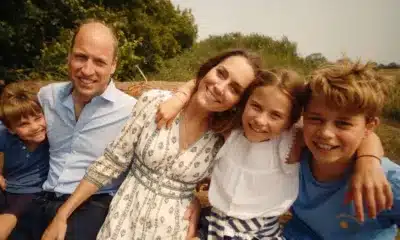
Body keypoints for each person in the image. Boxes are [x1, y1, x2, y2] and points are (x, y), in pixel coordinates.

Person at [41, 49, 263, 240]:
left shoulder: (223, 137)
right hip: (124, 219)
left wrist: (194, 200)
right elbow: (110, 162)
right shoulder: (155, 102)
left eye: (234, 89)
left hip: (174, 228)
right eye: (220, 73)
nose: (220, 87)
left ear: (238, 102)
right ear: (209, 70)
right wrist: (63, 213)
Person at [155, 67, 389, 240]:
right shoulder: (232, 129)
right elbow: (204, 85)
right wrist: (180, 98)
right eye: (255, 107)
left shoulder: (291, 139)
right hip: (215, 222)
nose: (260, 120)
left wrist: (368, 161)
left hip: (258, 233)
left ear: (291, 119)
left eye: (275, 115)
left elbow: (361, 133)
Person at [12, 19, 137, 240]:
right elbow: (10, 125)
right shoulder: (47, 97)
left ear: (114, 65)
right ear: (69, 56)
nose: (87, 70)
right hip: (42, 195)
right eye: (81, 57)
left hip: (94, 203)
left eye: (99, 62)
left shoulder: (131, 111)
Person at [283, 59, 398, 239]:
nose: (326, 133)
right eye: (315, 119)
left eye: (343, 123)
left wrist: (369, 161)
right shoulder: (294, 152)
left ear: (369, 126)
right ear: (303, 116)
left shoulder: (387, 182)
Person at [0, 83, 49, 240]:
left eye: (38, 118)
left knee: (10, 216)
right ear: (11, 129)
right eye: (24, 124)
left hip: (34, 192)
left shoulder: (53, 135)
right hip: (8, 188)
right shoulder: (5, 136)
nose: (35, 127)